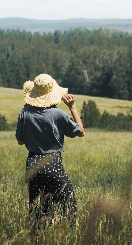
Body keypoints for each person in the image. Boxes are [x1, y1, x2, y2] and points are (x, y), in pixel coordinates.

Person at [15, 74, 84, 231]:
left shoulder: (24, 113)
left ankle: (36, 239)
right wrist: (72, 107)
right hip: (52, 163)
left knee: (37, 210)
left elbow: (20, 141)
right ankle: (68, 235)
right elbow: (80, 131)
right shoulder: (58, 114)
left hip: (32, 164)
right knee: (68, 203)